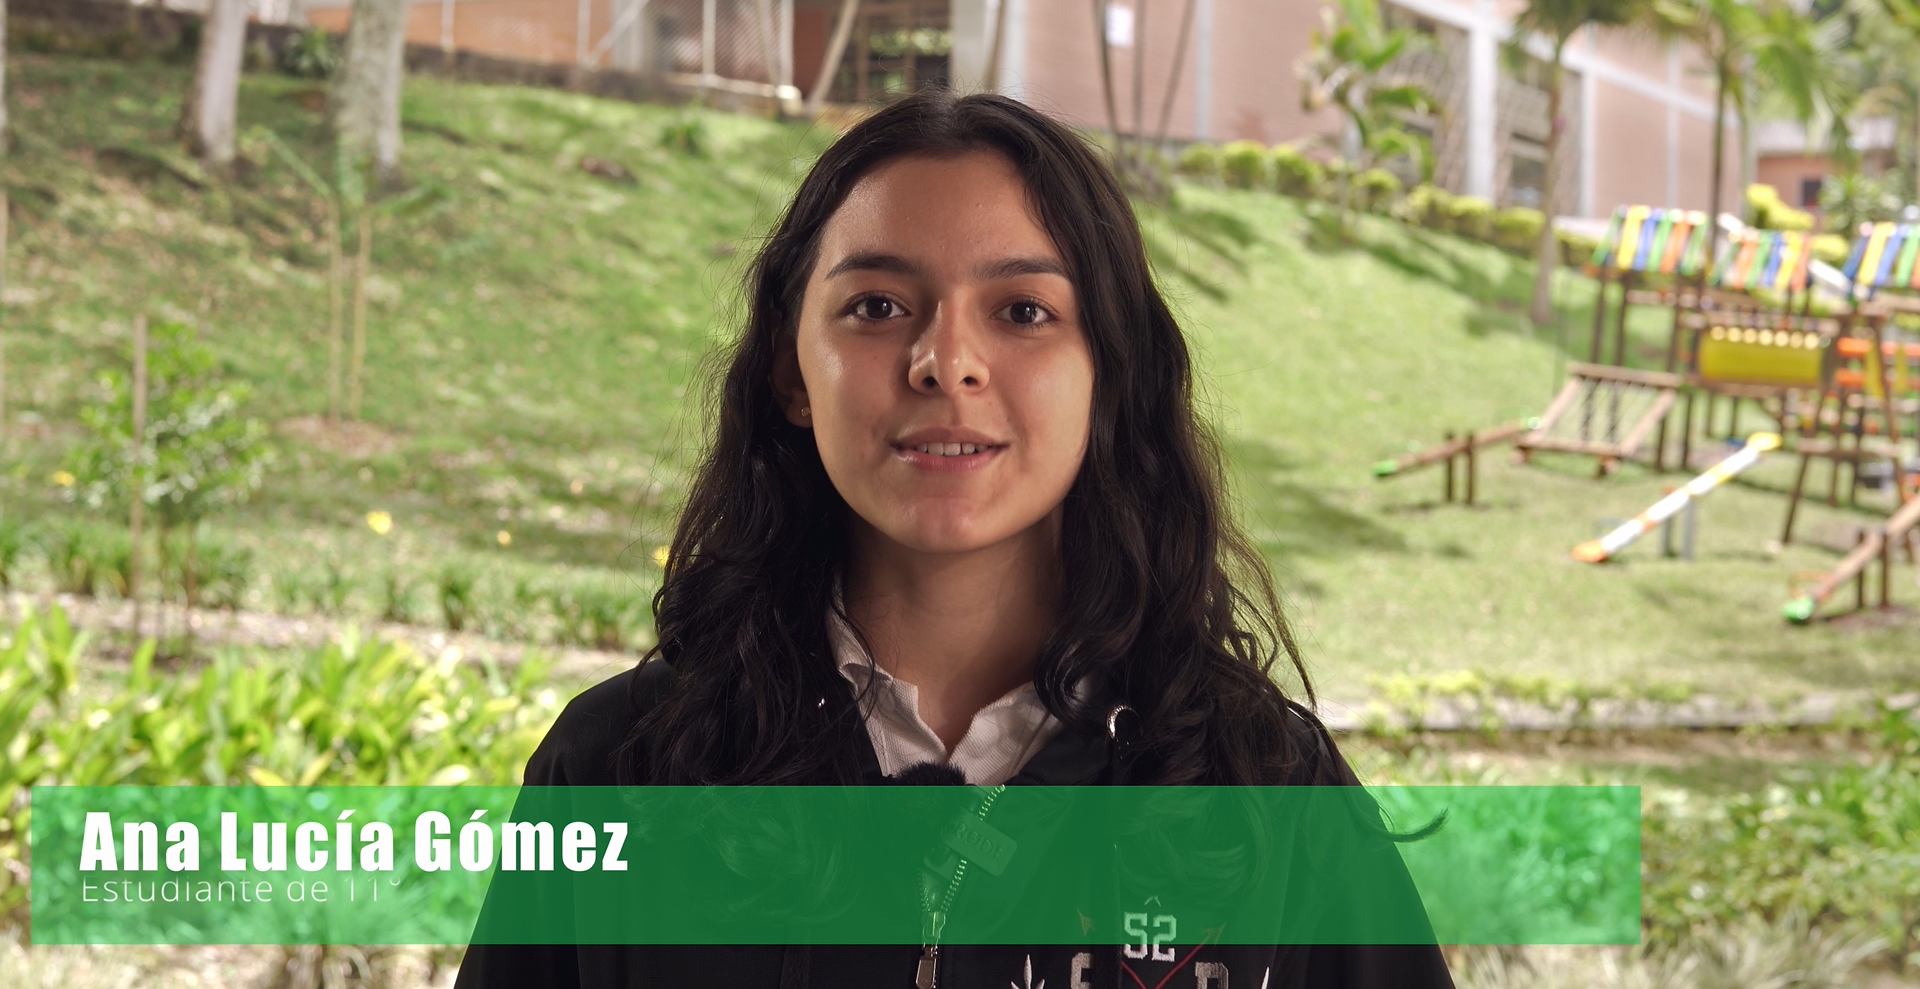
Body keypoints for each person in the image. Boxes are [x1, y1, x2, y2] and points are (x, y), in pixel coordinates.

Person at [454, 90, 1455, 989]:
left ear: (1110, 374)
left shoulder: (1270, 790)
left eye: (1023, 311)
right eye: (877, 307)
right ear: (792, 372)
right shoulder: (616, 771)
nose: (945, 362)